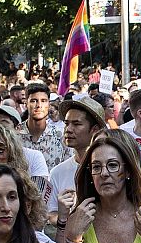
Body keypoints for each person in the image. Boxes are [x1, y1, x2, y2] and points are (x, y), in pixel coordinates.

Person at [46, 94, 109, 231]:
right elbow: (51, 214)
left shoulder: (110, 170)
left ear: (95, 130)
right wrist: (65, 218)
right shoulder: (57, 172)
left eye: (77, 124)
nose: (68, 129)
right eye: (67, 123)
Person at [18, 81, 69, 172]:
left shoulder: (62, 136)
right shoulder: (14, 136)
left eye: (43, 101)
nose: (39, 106)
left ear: (49, 104)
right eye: (34, 101)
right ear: (26, 103)